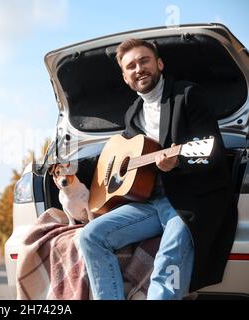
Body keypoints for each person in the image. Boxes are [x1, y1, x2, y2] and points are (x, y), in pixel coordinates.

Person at [79, 38, 238, 300]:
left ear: (159, 64)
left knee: (166, 262)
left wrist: (180, 161)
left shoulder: (187, 95)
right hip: (150, 202)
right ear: (125, 77)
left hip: (191, 201)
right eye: (131, 66)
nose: (138, 68)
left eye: (144, 61)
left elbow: (213, 152)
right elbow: (123, 157)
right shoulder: (133, 113)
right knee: (91, 236)